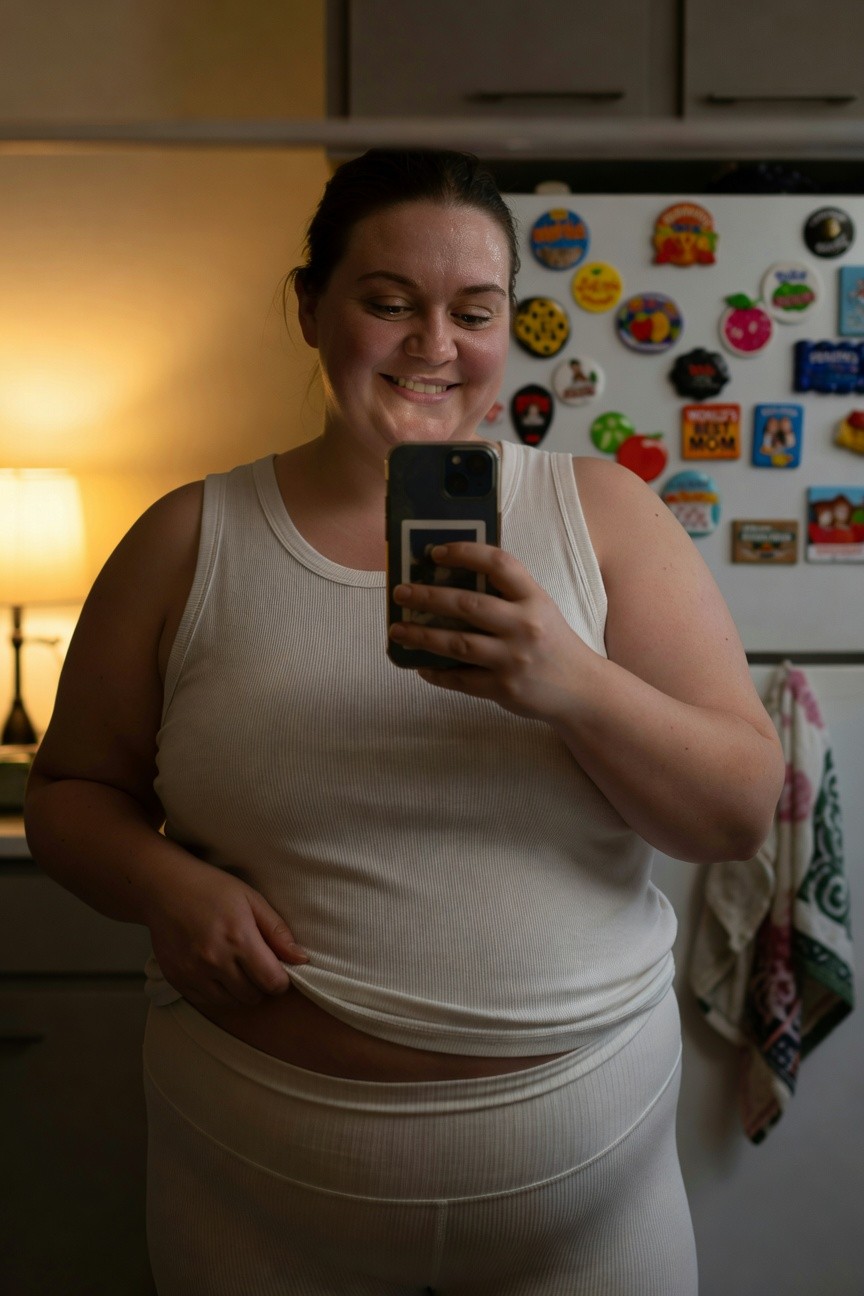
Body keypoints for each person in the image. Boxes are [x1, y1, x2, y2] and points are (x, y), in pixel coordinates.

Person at [24, 149, 784, 1295]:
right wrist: (162, 883)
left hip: (588, 1188)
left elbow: (736, 809)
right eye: (389, 304)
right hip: (254, 1189)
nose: (436, 345)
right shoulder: (189, 536)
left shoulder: (605, 516)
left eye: (474, 312)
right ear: (311, 308)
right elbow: (68, 794)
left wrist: (569, 680)